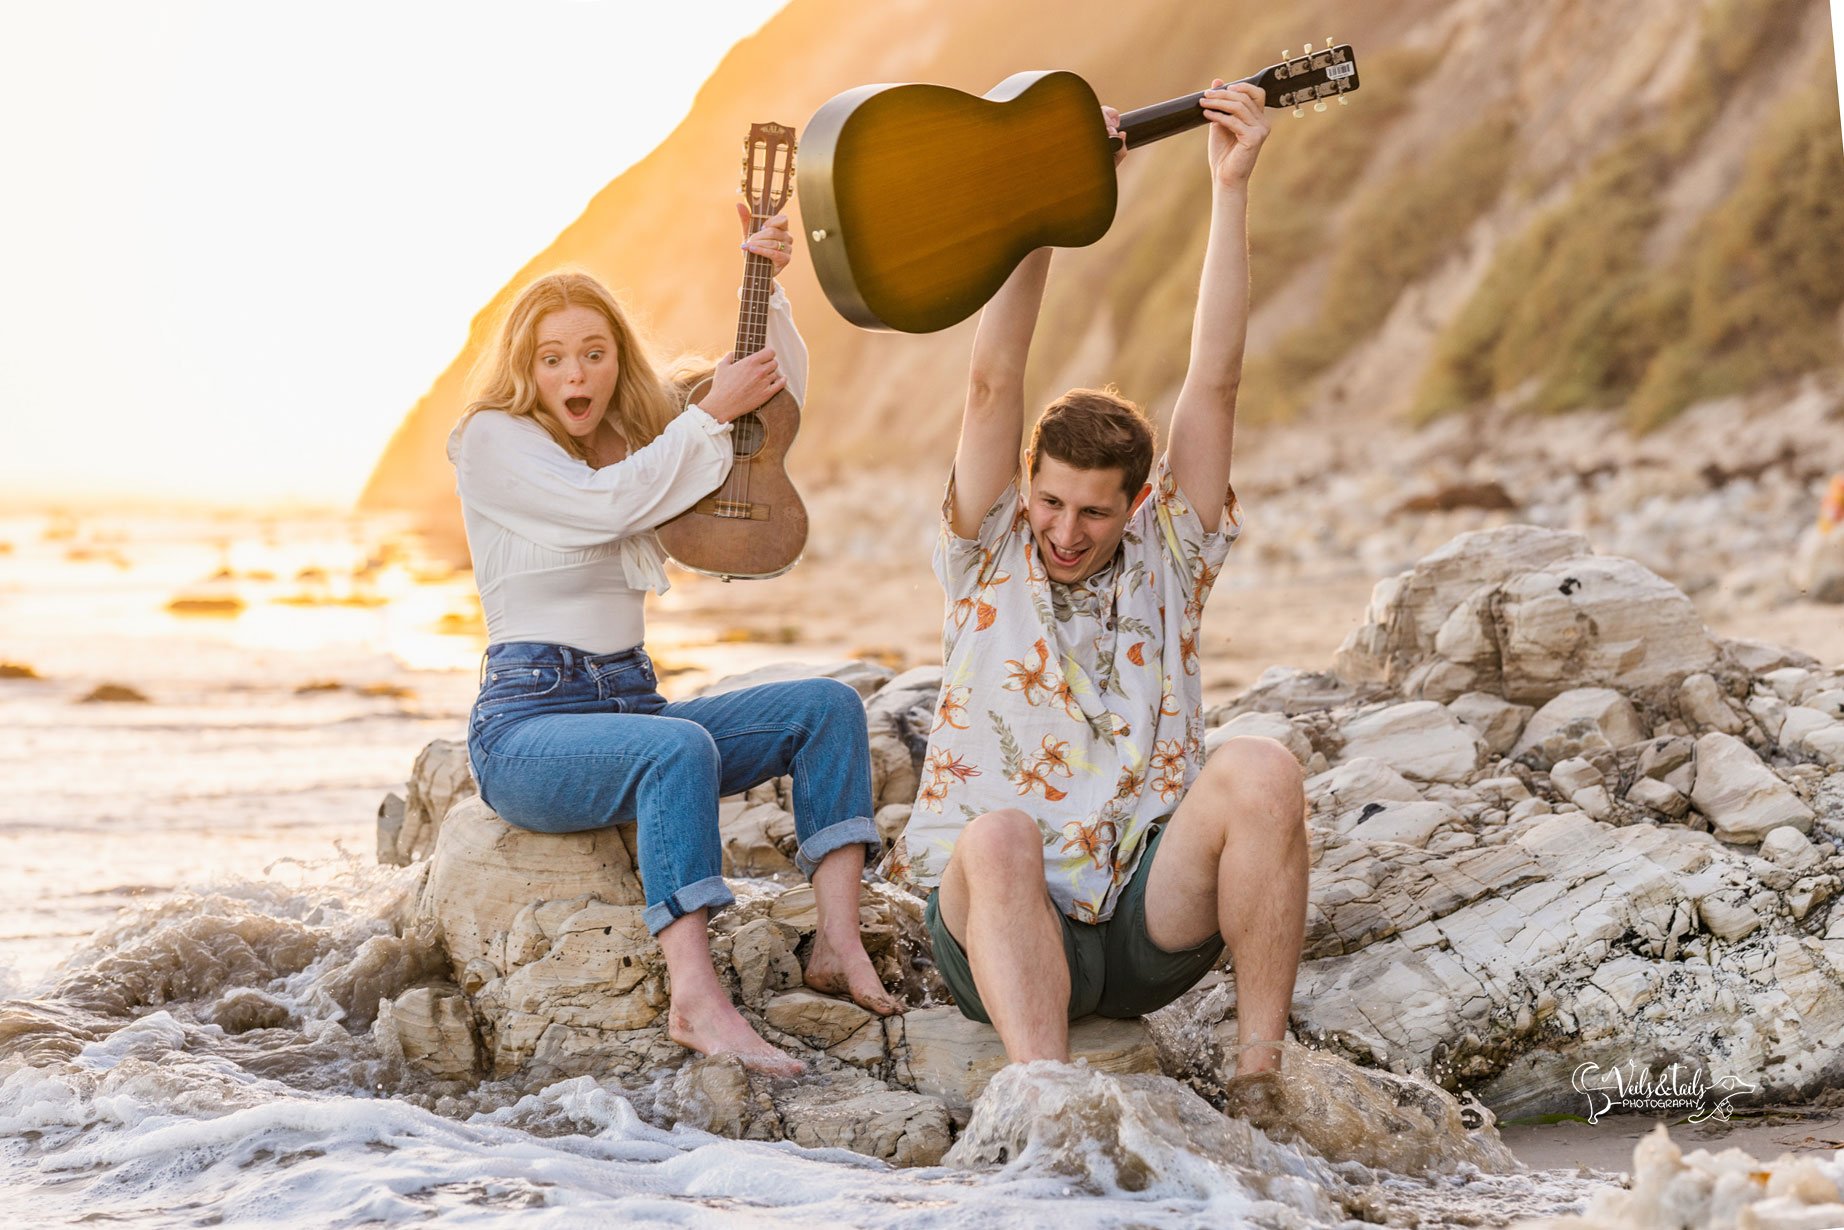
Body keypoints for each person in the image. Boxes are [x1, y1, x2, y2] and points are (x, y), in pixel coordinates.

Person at [883, 83, 1308, 1079]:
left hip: (1139, 924)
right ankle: (1045, 1097)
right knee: (993, 839)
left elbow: (1214, 381)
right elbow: (992, 379)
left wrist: (1229, 184)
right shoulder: (986, 549)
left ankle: (1260, 1069)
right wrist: (1040, 220)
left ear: (1135, 503)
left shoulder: (1171, 553)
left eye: (1092, 511)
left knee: (1261, 771)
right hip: (1001, 927)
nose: (1064, 532)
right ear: (1024, 486)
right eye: (1049, 502)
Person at [449, 207, 900, 1079]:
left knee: (827, 708)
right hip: (526, 732)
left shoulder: (640, 437)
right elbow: (605, 507)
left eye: (593, 352)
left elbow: (767, 406)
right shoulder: (492, 442)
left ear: (615, 359)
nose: (574, 372)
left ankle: (837, 943)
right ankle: (697, 999)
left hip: (628, 705)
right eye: (552, 358)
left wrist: (766, 285)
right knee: (676, 750)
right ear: (526, 368)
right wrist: (703, 420)